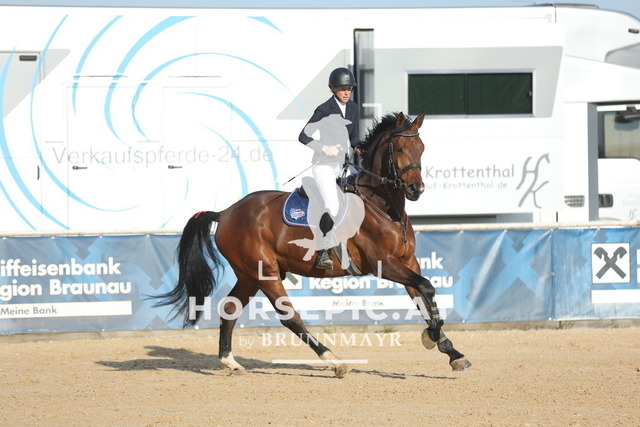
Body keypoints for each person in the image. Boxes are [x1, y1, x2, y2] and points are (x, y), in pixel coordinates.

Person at [298, 67, 360, 269]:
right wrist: (324, 148)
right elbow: (303, 136)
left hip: (343, 166)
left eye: (349, 88)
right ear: (332, 88)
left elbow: (354, 138)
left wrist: (362, 148)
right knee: (332, 205)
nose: (346, 92)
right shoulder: (324, 109)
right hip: (324, 165)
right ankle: (323, 251)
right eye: (342, 89)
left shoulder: (353, 107)